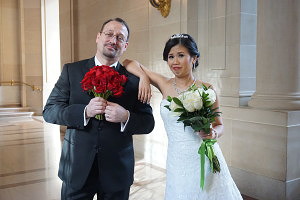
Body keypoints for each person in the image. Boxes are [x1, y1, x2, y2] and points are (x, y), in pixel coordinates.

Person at [43, 18, 155, 200]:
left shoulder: (135, 81)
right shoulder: (72, 71)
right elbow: (50, 111)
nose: (113, 40)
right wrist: (84, 112)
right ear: (98, 37)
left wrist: (126, 116)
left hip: (117, 172)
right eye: (109, 34)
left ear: (125, 45)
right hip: (76, 169)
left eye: (120, 37)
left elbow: (148, 123)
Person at [123, 33, 243, 200]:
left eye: (181, 55)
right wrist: (143, 76)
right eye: (171, 57)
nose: (175, 62)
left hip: (203, 157)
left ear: (194, 58)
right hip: (176, 159)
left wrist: (213, 133)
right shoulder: (164, 83)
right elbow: (128, 62)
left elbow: (219, 125)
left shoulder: (207, 89)